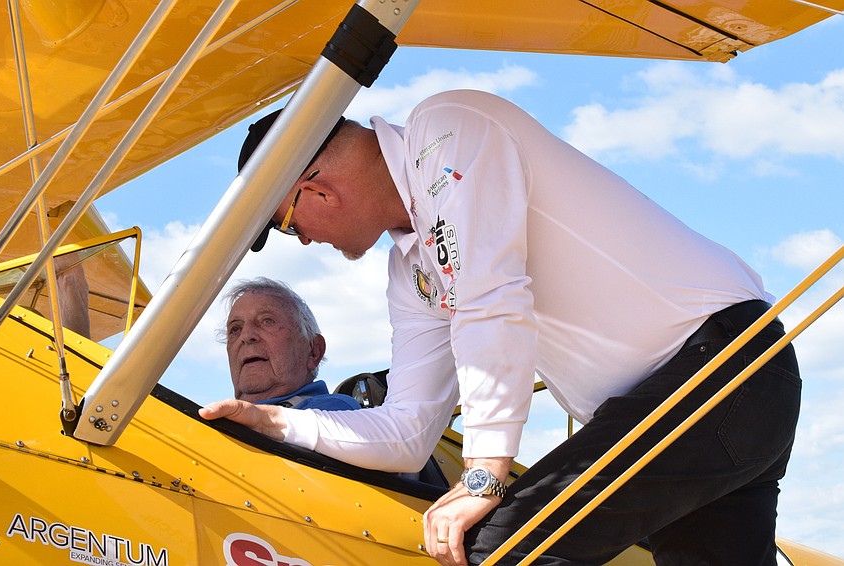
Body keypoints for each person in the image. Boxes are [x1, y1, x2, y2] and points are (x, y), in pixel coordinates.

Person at [200, 90, 801, 565]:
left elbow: (492, 300)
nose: (302, 239)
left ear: (312, 190)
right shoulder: (409, 269)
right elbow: (410, 431)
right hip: (677, 404)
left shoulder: (447, 130)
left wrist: (484, 475)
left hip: (723, 367)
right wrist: (278, 420)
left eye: (284, 226)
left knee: (506, 549)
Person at [218, 277, 359, 411]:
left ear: (314, 351)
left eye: (267, 321)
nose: (246, 336)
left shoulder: (332, 414)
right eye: (235, 329)